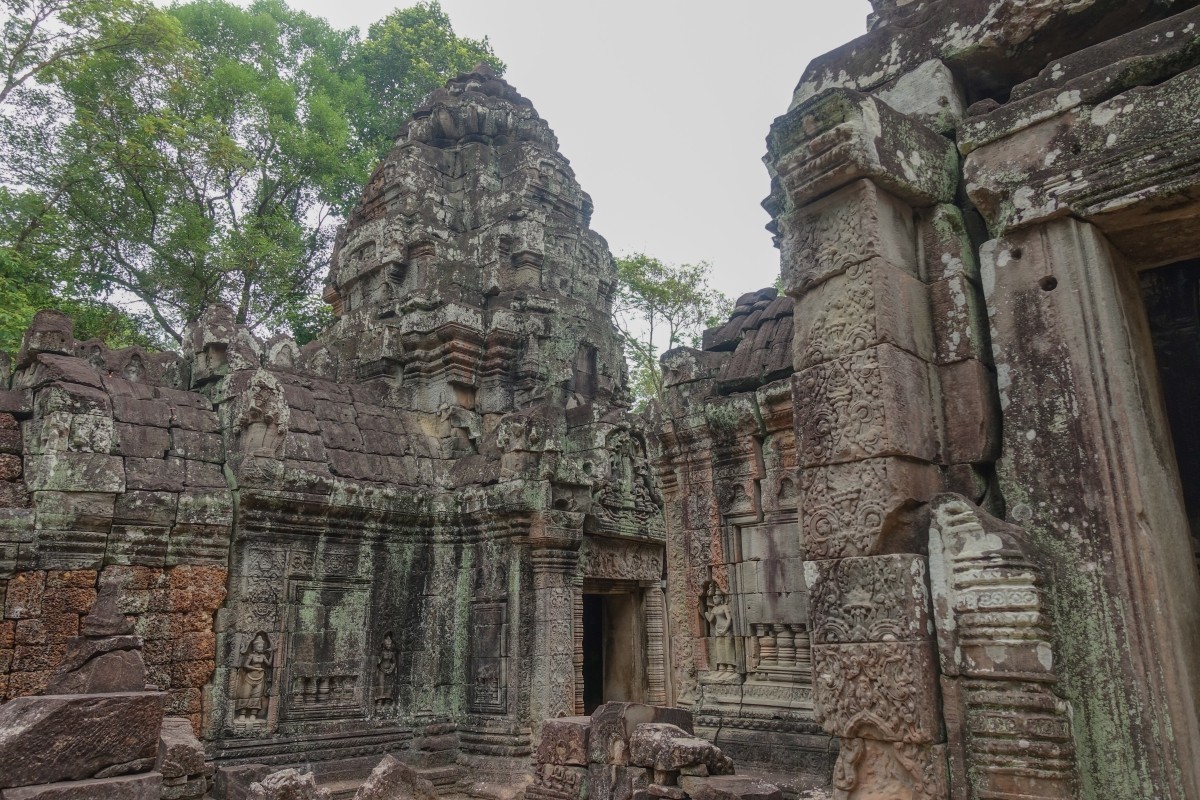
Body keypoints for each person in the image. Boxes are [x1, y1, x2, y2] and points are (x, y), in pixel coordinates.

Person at [235, 633, 272, 722]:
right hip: (250, 677)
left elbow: (269, 664)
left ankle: (253, 713)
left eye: (262, 647)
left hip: (260, 677)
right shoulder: (251, 655)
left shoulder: (263, 656)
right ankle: (242, 713)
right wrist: (255, 668)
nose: (261, 648)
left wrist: (272, 654)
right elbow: (245, 665)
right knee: (245, 695)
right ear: (255, 647)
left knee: (257, 696)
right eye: (259, 647)